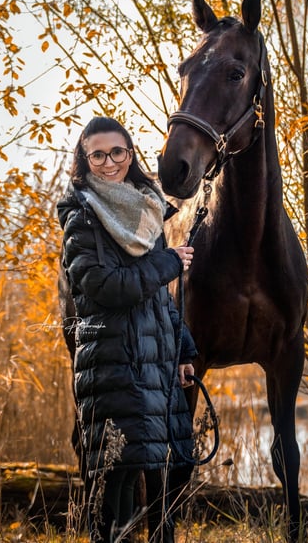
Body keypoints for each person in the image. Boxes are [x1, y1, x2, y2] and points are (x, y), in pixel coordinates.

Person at [57, 116, 198, 543]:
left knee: (169, 473)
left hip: (157, 362)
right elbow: (107, 286)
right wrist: (169, 262)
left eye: (117, 152)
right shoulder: (81, 217)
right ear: (84, 160)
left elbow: (159, 298)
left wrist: (185, 351)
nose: (108, 162)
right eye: (97, 154)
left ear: (130, 154)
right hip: (112, 366)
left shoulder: (145, 209)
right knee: (115, 493)